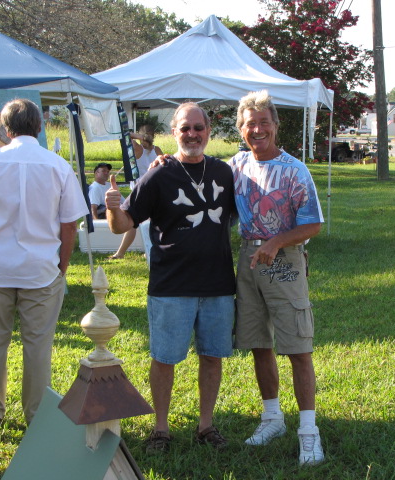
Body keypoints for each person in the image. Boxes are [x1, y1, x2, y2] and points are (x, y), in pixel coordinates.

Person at [105, 102, 236, 453]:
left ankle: (206, 425)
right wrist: (112, 205)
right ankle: (160, 428)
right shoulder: (158, 175)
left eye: (198, 128)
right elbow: (124, 224)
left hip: (218, 284)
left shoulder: (225, 173)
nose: (192, 134)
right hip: (170, 286)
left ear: (209, 131)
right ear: (174, 133)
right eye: (185, 128)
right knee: (164, 359)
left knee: (212, 356)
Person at [0, 98, 88, 429]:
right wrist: (61, 266)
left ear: (5, 128)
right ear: (40, 127)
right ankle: (37, 416)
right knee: (38, 347)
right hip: (41, 269)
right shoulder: (57, 166)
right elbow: (69, 224)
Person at [230, 90, 324, 466]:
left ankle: (309, 433)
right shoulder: (235, 165)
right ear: (241, 129)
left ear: (275, 125)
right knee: (257, 341)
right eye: (250, 124)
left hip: (283, 260)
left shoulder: (295, 170)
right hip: (247, 260)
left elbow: (314, 223)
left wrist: (276, 242)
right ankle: (272, 418)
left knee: (298, 347)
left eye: (263, 122)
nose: (257, 130)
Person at [110, 124, 162, 260]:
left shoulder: (137, 149)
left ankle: (122, 252)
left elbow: (125, 135)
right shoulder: (157, 150)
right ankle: (126, 252)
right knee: (152, 223)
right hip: (157, 189)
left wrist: (139, 136)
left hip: (141, 189)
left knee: (132, 221)